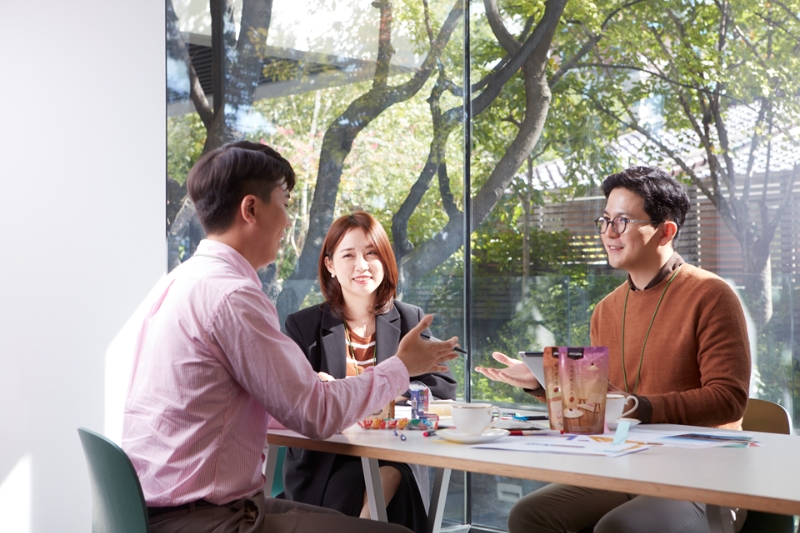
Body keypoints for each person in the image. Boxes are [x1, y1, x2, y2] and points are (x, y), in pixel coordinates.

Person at [121, 141, 459, 533]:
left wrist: (305, 390)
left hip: (166, 507)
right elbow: (317, 414)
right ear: (251, 209)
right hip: (210, 518)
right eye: (284, 204)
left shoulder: (178, 281)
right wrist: (401, 367)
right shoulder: (233, 297)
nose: (287, 221)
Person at [475, 166, 751, 533]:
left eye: (623, 221)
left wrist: (639, 407)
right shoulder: (606, 309)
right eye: (605, 220)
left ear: (666, 231)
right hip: (628, 463)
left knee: (619, 527)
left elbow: (729, 399)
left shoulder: (711, 295)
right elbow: (602, 402)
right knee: (528, 514)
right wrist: (542, 382)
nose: (609, 233)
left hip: (706, 475)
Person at [281, 211, 457, 532]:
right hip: (327, 462)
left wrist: (378, 399)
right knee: (385, 480)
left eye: (371, 253)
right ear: (330, 265)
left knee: (392, 473)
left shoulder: (409, 319)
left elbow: (443, 390)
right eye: (349, 255)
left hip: (395, 451)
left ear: (385, 260)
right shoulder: (303, 326)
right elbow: (295, 400)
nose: (362, 265)